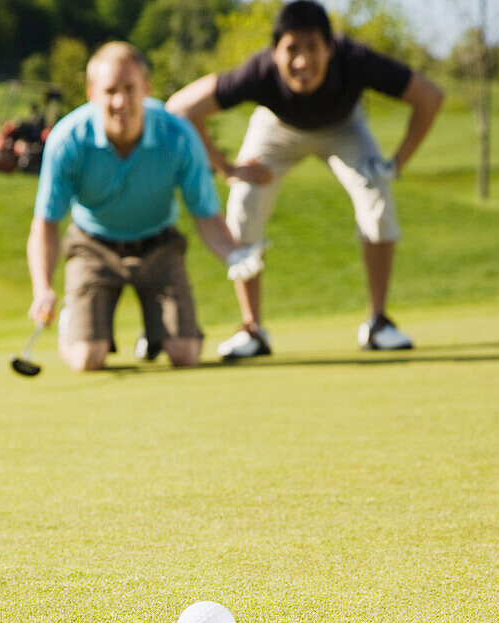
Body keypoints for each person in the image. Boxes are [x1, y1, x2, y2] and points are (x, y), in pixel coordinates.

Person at [166, 0, 444, 358]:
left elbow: (430, 97)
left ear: (330, 47)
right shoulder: (259, 71)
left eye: (312, 47)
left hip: (344, 126)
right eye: (291, 49)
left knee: (376, 191)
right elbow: (179, 108)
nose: (302, 61)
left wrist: (396, 163)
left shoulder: (356, 59)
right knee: (244, 200)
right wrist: (228, 168)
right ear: (275, 51)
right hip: (277, 127)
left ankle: (378, 322)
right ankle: (252, 328)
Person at [27, 41, 263, 371]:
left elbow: (205, 213)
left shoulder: (178, 135)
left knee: (186, 354)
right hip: (93, 245)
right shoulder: (68, 140)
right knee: (86, 357)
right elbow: (46, 223)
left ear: (146, 89)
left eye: (130, 88)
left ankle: (156, 333)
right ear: (92, 93)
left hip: (159, 245)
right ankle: (75, 320)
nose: (121, 101)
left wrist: (233, 254)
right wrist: (43, 288)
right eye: (110, 91)